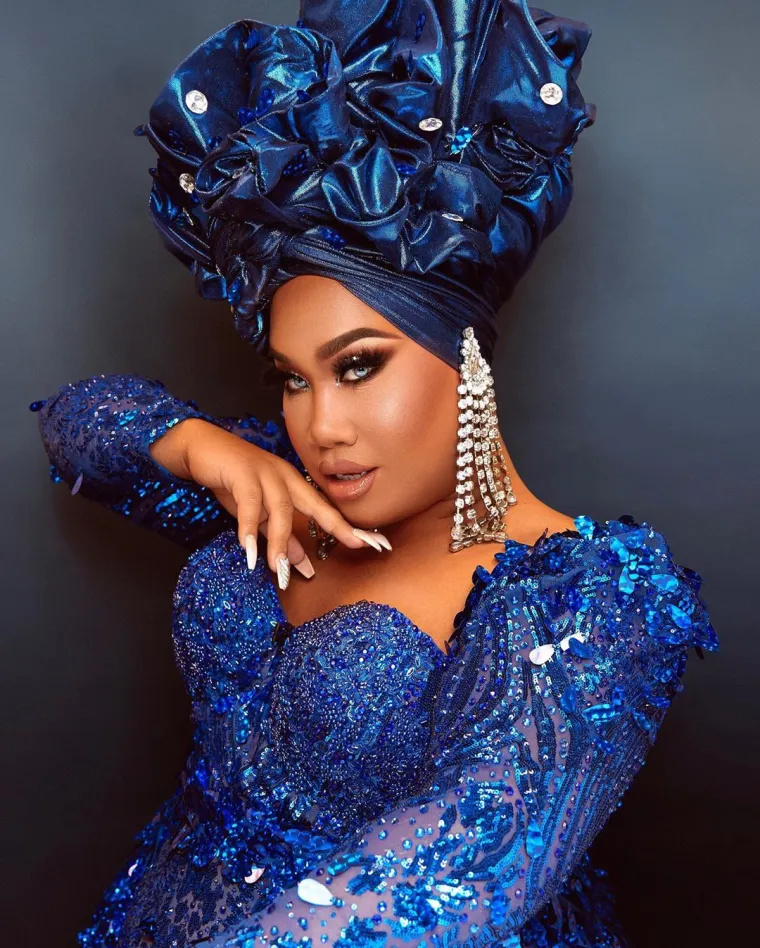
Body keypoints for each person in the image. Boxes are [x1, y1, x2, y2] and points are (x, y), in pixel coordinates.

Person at [30, 2, 720, 946]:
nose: (321, 426)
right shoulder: (284, 489)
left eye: (358, 367)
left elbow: (455, 877)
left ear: (465, 359)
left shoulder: (587, 598)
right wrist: (203, 449)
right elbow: (74, 427)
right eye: (292, 379)